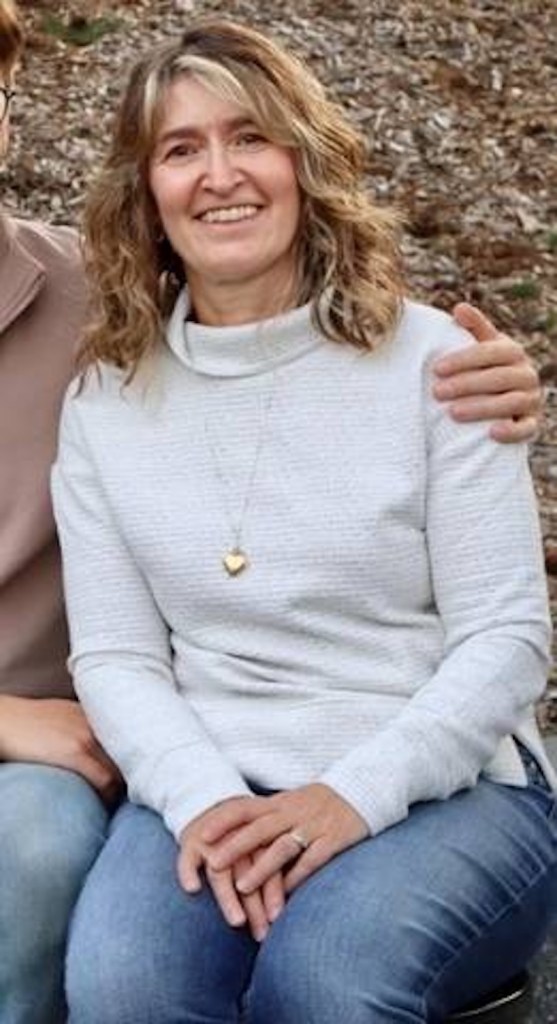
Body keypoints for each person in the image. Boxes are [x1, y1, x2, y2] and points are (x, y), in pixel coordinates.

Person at [0, 7, 544, 1024]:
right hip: (211, 775)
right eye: (180, 150)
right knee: (125, 985)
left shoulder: (437, 367)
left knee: (323, 977)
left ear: (304, 161)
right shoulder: (110, 398)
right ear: (145, 192)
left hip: (446, 779)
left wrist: (348, 799)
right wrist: (206, 798)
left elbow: (507, 640)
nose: (219, 175)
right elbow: (117, 655)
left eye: (249, 136)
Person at [0, 4, 121, 1023]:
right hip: (21, 726)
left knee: (42, 840)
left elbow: (278, 358)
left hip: (47, 759)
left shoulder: (98, 297)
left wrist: (451, 375)